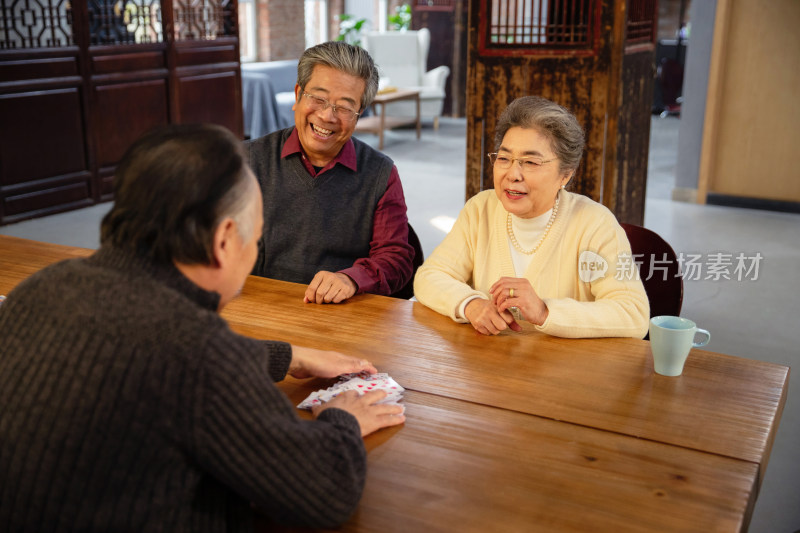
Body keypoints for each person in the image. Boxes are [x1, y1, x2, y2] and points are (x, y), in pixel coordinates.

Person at [0, 124, 405, 532]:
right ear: (225, 240)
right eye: (256, 239)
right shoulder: (198, 353)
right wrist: (342, 418)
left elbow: (129, 346)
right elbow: (325, 492)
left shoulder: (40, 287)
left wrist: (284, 355)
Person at [414, 96, 650, 338]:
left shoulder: (594, 223)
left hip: (563, 370)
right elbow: (429, 276)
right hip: (489, 366)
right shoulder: (481, 209)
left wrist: (545, 312)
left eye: (530, 162)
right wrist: (471, 304)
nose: (513, 174)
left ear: (565, 176)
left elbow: (634, 315)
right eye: (504, 158)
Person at [245, 41, 414, 304]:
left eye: (345, 107)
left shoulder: (381, 174)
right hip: (260, 311)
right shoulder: (247, 161)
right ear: (298, 94)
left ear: (359, 116)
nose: (327, 115)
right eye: (318, 98)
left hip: (339, 315)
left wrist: (352, 278)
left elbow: (396, 259)